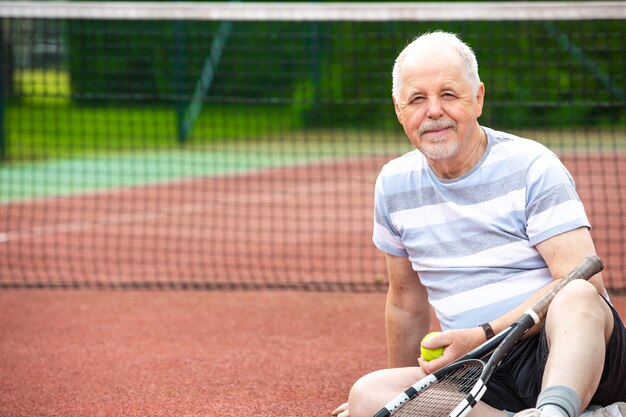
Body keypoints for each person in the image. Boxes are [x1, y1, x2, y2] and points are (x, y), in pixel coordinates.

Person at [332, 31, 625, 417]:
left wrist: (483, 335)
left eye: (449, 94)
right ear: (398, 109)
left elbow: (585, 283)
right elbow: (405, 302)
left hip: (568, 348)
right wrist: (404, 393)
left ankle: (557, 409)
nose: (433, 110)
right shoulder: (393, 184)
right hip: (479, 374)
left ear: (479, 98)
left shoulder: (532, 165)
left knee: (576, 293)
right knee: (369, 397)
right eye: (417, 99)